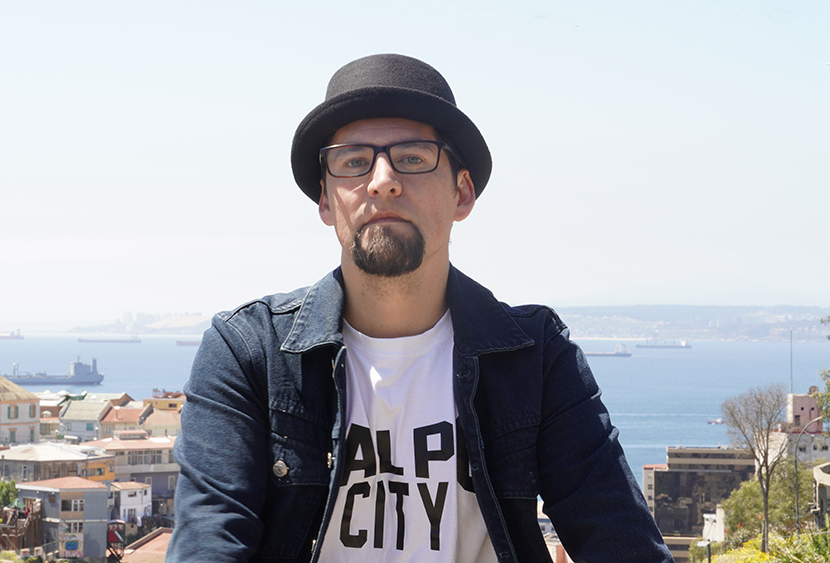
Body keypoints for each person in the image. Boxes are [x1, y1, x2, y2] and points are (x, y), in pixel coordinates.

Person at [167, 53, 673, 562]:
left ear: (462, 193)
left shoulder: (535, 358)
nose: (382, 180)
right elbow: (209, 541)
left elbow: (622, 542)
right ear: (325, 200)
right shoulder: (251, 353)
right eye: (353, 162)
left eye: (412, 158)